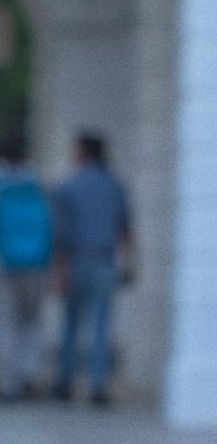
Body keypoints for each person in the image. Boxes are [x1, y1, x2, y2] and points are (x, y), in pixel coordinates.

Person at [52, 131, 134, 403]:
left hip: (76, 260)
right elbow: (125, 230)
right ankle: (98, 385)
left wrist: (60, 272)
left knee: (71, 325)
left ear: (83, 153)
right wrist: (129, 262)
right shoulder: (115, 185)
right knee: (101, 325)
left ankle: (64, 382)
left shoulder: (68, 186)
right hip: (105, 261)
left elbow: (61, 236)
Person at [0, 136, 55, 400]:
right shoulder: (39, 184)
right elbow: (53, 223)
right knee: (31, 322)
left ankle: (7, 384)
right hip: (37, 262)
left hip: (2, 260)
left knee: (4, 321)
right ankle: (29, 377)